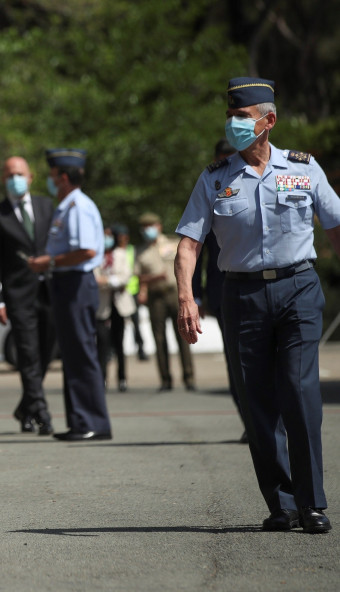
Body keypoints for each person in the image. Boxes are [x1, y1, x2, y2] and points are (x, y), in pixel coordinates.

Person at [175, 77, 340, 534]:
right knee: (257, 402)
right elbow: (189, 244)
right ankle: (281, 503)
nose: (234, 126)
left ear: (268, 121)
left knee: (300, 391)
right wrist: (186, 298)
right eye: (230, 118)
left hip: (299, 289)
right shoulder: (215, 177)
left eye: (242, 119)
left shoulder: (304, 169)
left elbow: (335, 225)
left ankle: (311, 503)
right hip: (242, 295)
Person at [31, 148, 112, 441]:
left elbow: (86, 251)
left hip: (76, 284)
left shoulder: (77, 205)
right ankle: (81, 420)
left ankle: (92, 422)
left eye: (53, 176)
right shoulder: (68, 204)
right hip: (67, 285)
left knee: (81, 354)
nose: (50, 181)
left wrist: (49, 262)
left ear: (63, 177)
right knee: (73, 354)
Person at [0, 156, 56, 434]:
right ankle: (42, 411)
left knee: (47, 352)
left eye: (20, 173)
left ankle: (25, 408)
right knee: (27, 354)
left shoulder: (46, 206)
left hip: (49, 291)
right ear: (3, 178)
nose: (15, 178)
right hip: (18, 295)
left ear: (31, 177)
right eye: (10, 173)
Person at [193, 139, 245, 440]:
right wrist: (196, 295)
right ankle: (251, 422)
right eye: (221, 159)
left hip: (259, 286)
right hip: (223, 291)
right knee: (235, 361)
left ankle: (271, 420)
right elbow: (196, 250)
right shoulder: (210, 191)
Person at [135, 212, 195, 392]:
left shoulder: (171, 243)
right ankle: (165, 379)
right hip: (156, 297)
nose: (148, 230)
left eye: (151, 226)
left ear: (158, 226)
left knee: (183, 336)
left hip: (175, 294)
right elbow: (138, 277)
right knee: (159, 338)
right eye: (144, 227)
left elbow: (184, 266)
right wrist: (151, 280)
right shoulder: (139, 251)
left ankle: (189, 377)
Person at [95, 224, 134, 392]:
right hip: (102, 306)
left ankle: (122, 378)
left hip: (120, 305)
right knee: (102, 343)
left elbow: (125, 276)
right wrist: (111, 281)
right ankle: (102, 378)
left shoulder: (121, 254)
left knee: (119, 342)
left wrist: (109, 281)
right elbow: (95, 279)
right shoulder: (97, 256)